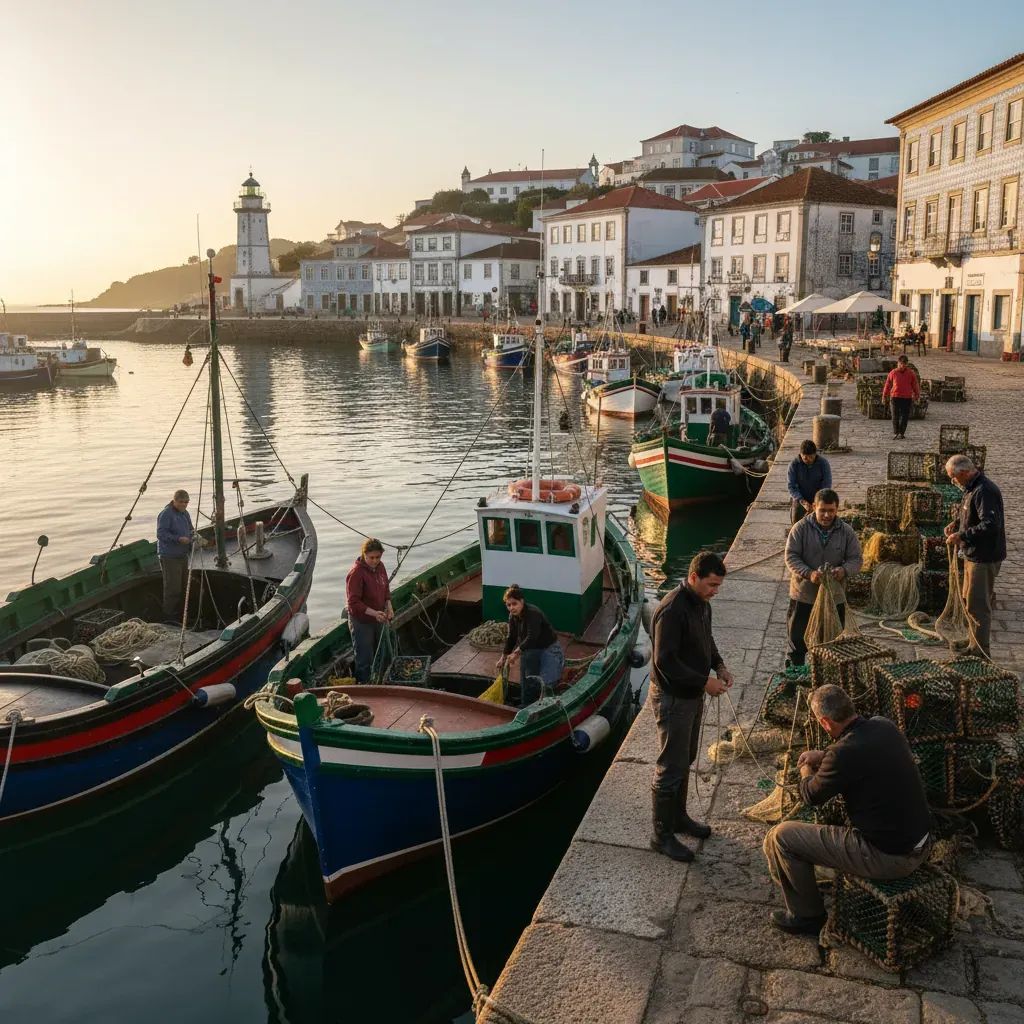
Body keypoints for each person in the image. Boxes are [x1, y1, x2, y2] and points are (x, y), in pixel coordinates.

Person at [762, 684, 932, 934]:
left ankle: (806, 916)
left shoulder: (842, 754)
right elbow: (860, 753)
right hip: (922, 842)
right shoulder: (884, 726)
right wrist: (824, 754)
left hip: (889, 858)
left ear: (826, 722)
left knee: (782, 837)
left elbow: (810, 794)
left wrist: (806, 770)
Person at [648, 551, 734, 862]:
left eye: (718, 586)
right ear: (694, 577)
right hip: (672, 697)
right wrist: (703, 682)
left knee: (687, 757)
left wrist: (719, 666)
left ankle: (679, 817)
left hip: (691, 694)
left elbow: (705, 640)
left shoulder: (702, 604)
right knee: (670, 765)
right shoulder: (672, 609)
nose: (715, 591)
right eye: (711, 584)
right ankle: (661, 835)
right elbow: (664, 660)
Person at [784, 489, 862, 666]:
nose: (827, 515)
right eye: (822, 510)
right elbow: (791, 557)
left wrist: (843, 571)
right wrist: (809, 573)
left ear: (837, 510)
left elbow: (856, 559)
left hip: (834, 595)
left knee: (833, 638)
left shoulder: (846, 532)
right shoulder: (800, 528)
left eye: (831, 511)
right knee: (797, 638)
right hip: (804, 594)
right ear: (814, 508)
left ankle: (828, 670)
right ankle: (795, 670)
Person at [945, 455, 1006, 657]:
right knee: (968, 600)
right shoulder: (972, 488)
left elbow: (990, 525)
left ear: (963, 473)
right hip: (973, 555)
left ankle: (980, 651)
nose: (953, 481)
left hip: (984, 557)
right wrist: (956, 524)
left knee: (979, 605)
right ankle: (973, 642)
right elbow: (970, 513)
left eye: (954, 477)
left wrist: (962, 535)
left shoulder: (984, 491)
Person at [496, 585, 564, 706]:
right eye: (508, 605)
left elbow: (532, 637)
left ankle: (548, 707)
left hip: (548, 648)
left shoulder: (533, 613)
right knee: (526, 681)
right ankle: (526, 705)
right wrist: (503, 658)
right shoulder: (513, 616)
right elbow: (511, 637)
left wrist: (516, 654)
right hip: (530, 649)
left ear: (522, 601)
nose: (511, 608)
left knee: (547, 683)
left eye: (514, 604)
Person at [346, 538, 394, 683]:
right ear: (364, 555)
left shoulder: (381, 567)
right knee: (364, 657)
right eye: (371, 558)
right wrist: (374, 613)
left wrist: (389, 606)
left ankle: (384, 681)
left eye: (378, 557)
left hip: (379, 616)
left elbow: (385, 588)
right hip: (362, 621)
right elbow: (353, 603)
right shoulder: (356, 573)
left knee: (383, 652)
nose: (374, 561)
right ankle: (364, 685)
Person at [156, 489, 194, 621]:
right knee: (172, 589)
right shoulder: (166, 514)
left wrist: (195, 538)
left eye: (186, 502)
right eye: (181, 502)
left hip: (183, 555)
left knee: (184, 587)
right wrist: (178, 539)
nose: (184, 505)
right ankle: (169, 618)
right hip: (169, 557)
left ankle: (182, 616)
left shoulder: (185, 513)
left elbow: (191, 529)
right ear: (174, 501)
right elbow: (161, 534)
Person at [787, 440, 833, 525]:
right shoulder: (793, 465)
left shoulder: (823, 464)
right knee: (797, 522)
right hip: (800, 498)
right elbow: (791, 487)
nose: (809, 460)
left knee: (821, 522)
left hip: (818, 498)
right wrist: (803, 502)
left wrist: (817, 502)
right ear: (801, 455)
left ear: (815, 454)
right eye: (805, 458)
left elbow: (826, 484)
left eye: (811, 457)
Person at [881, 354, 920, 441]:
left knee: (905, 416)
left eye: (904, 364)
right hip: (895, 397)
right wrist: (884, 396)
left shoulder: (911, 373)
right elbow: (887, 385)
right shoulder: (893, 373)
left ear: (907, 364)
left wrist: (917, 395)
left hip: (907, 398)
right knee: (895, 415)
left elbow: (915, 385)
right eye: (901, 364)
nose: (902, 366)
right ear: (898, 363)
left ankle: (901, 433)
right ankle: (896, 432)